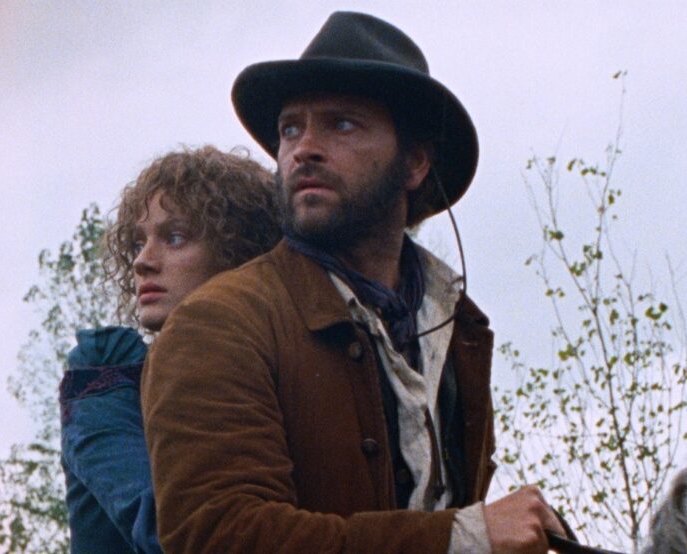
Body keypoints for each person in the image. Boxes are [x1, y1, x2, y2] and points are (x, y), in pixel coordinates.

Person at [142, 11, 565, 554]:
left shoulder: (457, 327)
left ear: (414, 163)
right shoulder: (218, 324)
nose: (304, 148)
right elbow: (221, 536)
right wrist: (466, 536)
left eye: (341, 124)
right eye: (290, 128)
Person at [59, 146, 282, 553]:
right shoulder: (107, 369)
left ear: (238, 251)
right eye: (138, 243)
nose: (142, 261)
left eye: (174, 238)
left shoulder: (273, 366)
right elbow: (171, 532)